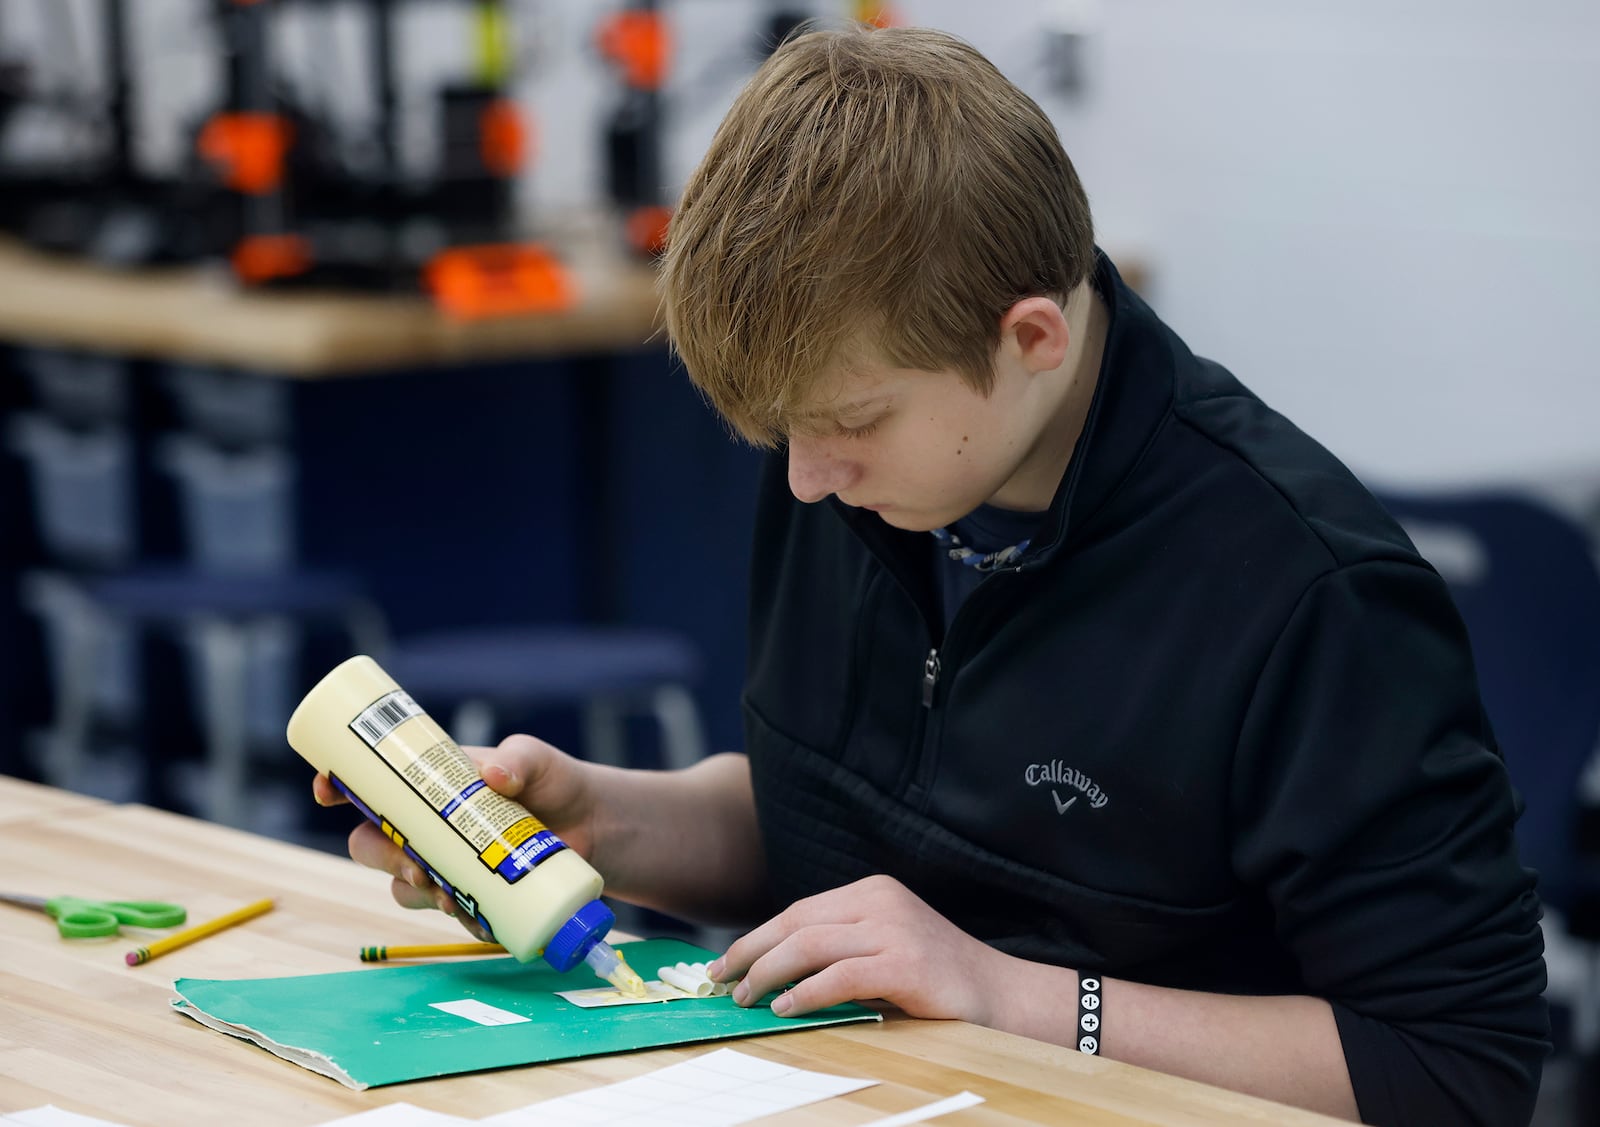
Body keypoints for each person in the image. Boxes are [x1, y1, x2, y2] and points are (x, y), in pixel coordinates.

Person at [313, 23, 1548, 1126]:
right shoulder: (862, 463)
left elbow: (1454, 1067)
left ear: (1030, 338)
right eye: (779, 431)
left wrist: (999, 990)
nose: (801, 479)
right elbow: (860, 834)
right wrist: (604, 823)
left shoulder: (1307, 595)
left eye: (847, 420)